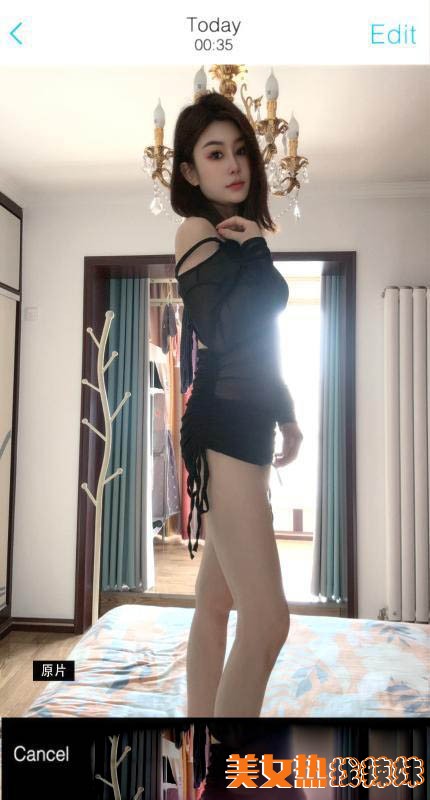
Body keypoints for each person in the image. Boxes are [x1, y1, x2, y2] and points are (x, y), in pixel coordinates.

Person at [170, 91, 303, 716]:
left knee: (217, 602)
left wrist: (287, 415)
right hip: (221, 424)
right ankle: (226, 759)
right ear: (190, 171)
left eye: (242, 150)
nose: (235, 164)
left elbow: (261, 342)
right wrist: (257, 253)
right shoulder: (196, 230)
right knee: (269, 620)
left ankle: (198, 737)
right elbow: (223, 334)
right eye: (215, 153)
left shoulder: (237, 238)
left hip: (247, 423)